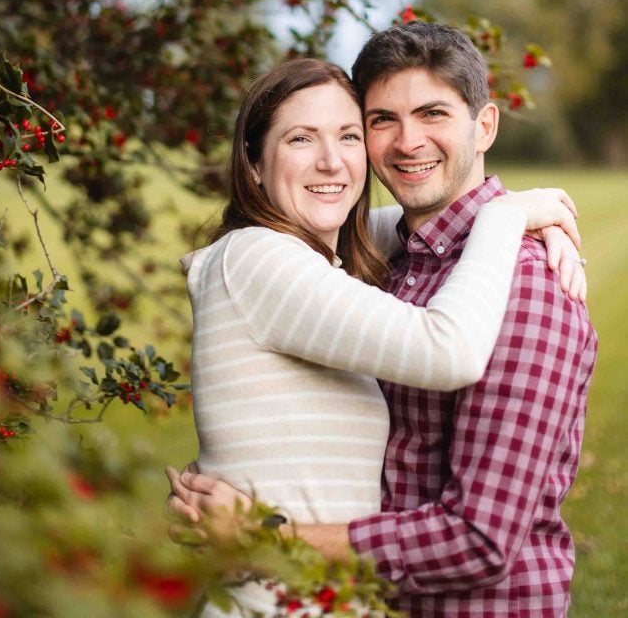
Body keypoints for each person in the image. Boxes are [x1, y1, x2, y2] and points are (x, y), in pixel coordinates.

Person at [168, 43, 591, 616]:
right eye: (381, 121)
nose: (406, 141)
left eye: (347, 135)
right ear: (251, 163)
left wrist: (511, 214)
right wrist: (507, 214)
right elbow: (430, 287)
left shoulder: (518, 284)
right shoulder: (284, 260)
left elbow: (482, 539)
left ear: (485, 125)